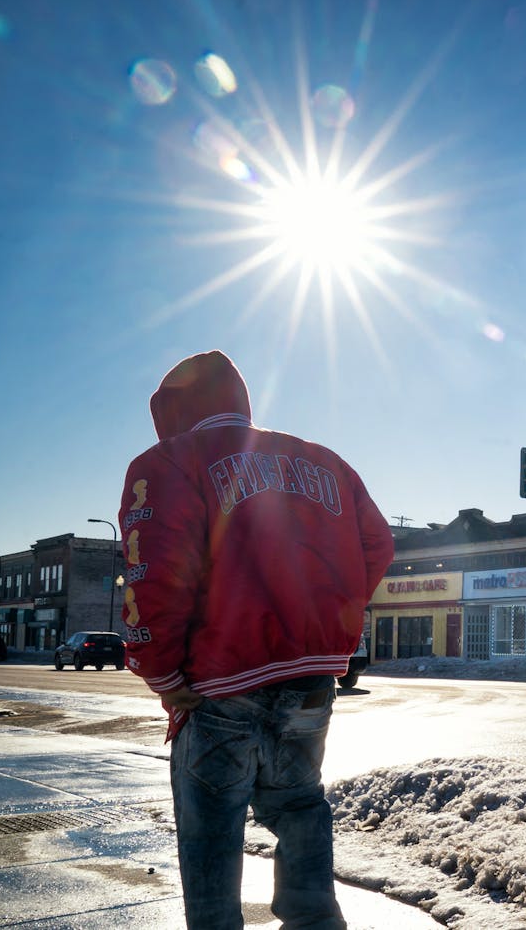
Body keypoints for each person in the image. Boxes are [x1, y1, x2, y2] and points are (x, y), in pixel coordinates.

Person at [117, 350, 393, 930]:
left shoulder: (166, 462)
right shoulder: (325, 461)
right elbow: (376, 545)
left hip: (218, 678)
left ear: (170, 410)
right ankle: (315, 921)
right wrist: (329, 622)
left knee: (210, 827)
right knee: (299, 805)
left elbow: (157, 572)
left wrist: (162, 673)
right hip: (310, 675)